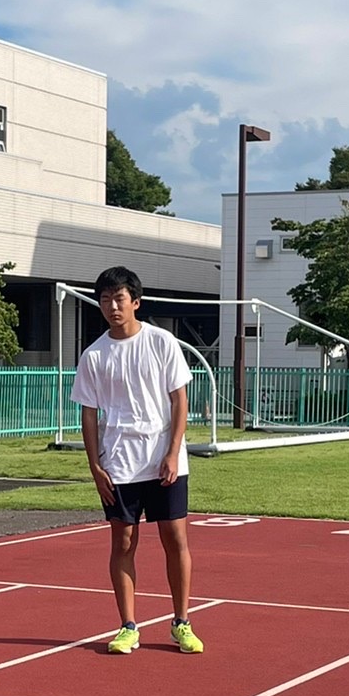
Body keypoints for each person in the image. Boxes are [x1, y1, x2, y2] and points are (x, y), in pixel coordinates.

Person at [71, 266, 204, 655]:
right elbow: (89, 414)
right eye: (105, 299)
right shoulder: (94, 355)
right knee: (124, 539)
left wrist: (173, 452)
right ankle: (128, 625)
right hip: (120, 462)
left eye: (119, 298)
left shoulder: (162, 343)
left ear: (135, 302)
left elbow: (179, 400)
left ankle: (181, 622)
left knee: (174, 537)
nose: (112, 306)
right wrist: (95, 466)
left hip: (163, 460)